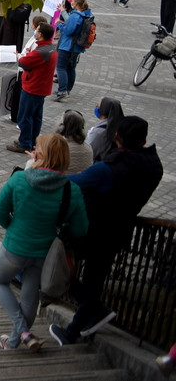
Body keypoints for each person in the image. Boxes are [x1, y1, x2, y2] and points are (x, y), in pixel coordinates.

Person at [50, 116, 163, 346]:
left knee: (65, 272)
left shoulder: (108, 169)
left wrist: (40, 171)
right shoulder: (153, 166)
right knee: (94, 280)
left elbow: (72, 182)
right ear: (144, 139)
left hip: (93, 230)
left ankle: (80, 326)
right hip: (120, 230)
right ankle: (87, 319)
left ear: (117, 138)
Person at [0, 132, 89, 351]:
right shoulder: (71, 190)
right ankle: (14, 341)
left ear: (40, 155)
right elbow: (80, 229)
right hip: (44, 253)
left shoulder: (19, 179)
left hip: (15, 247)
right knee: (29, 296)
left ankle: (22, 330)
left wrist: (13, 227)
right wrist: (59, 227)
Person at [8, 21, 58, 153]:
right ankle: (31, 140)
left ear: (40, 34)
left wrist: (20, 56)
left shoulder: (40, 51)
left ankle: (24, 143)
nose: (35, 32)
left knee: (25, 116)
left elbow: (24, 61)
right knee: (36, 116)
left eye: (37, 30)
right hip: (42, 88)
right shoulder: (50, 48)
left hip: (33, 87)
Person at [54, 0, 92, 102]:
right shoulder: (86, 13)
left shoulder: (75, 16)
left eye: (73, 0)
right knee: (71, 68)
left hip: (67, 46)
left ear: (76, 4)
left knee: (61, 68)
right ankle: (68, 89)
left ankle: (62, 91)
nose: (71, 2)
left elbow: (68, 31)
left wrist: (59, 24)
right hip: (76, 47)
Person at [86, 97, 125, 162]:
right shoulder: (121, 125)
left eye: (97, 106)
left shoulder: (98, 132)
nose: (96, 108)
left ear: (103, 110)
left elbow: (88, 151)